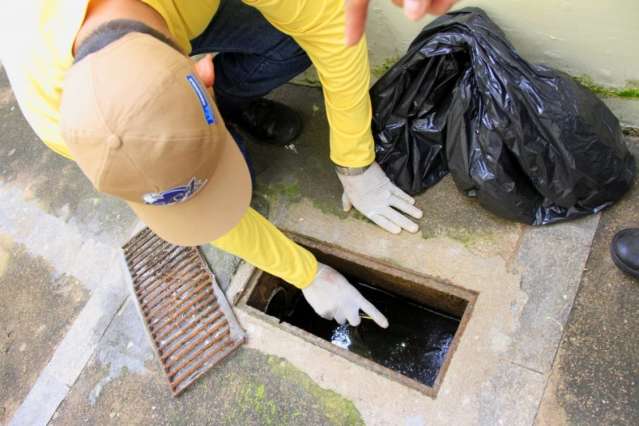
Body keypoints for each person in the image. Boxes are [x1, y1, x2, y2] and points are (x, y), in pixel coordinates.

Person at [0, 0, 455, 328]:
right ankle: (203, 133)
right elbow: (197, 212)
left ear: (203, 74)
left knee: (288, 44)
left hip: (191, 11)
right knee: (238, 189)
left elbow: (334, 26)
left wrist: (355, 163)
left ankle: (222, 115)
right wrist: (308, 274)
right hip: (131, 32)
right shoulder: (61, 119)